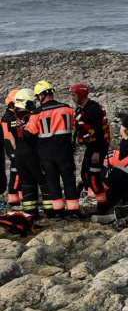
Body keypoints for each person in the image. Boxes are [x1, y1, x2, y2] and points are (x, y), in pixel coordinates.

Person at [25, 81, 84, 219]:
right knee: (69, 180)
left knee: (52, 181)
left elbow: (29, 132)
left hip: (46, 153)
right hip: (64, 151)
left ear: (42, 95)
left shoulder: (37, 113)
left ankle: (58, 211)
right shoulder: (67, 108)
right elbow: (77, 126)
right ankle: (74, 211)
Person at [11, 89, 53, 218]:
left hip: (19, 154)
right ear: (27, 103)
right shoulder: (32, 117)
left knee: (27, 183)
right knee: (44, 181)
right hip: (32, 152)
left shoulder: (12, 118)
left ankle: (30, 212)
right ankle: (50, 211)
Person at [70, 83, 111, 214]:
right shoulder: (83, 108)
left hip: (97, 147)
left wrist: (97, 152)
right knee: (85, 175)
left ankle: (103, 205)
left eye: (73, 94)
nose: (72, 98)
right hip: (91, 146)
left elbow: (99, 132)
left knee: (93, 177)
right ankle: (105, 196)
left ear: (81, 95)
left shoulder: (92, 109)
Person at [2, 91, 17, 208]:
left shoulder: (8, 116)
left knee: (17, 172)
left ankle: (16, 197)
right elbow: (9, 137)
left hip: (10, 146)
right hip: (11, 146)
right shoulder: (8, 118)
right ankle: (13, 198)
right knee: (16, 171)